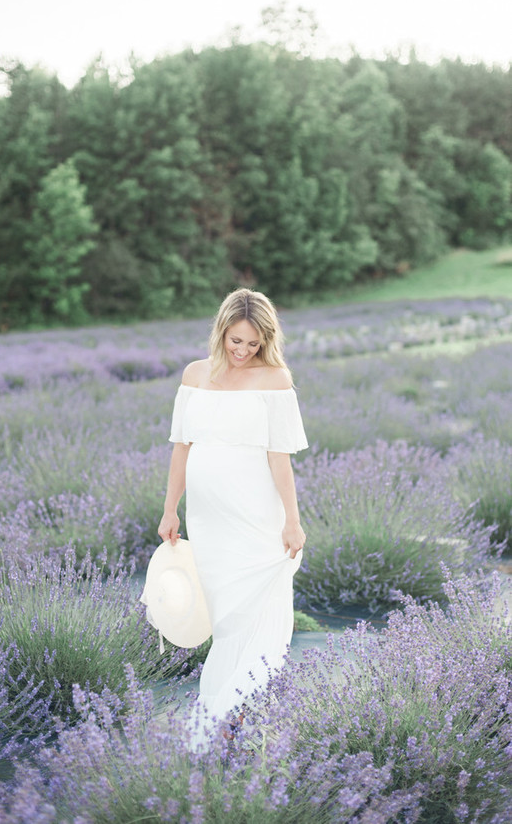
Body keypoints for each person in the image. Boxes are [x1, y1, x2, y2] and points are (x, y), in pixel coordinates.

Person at [157, 288, 308, 747]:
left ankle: (235, 709)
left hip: (256, 509)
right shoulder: (194, 375)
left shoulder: (276, 379)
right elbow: (181, 449)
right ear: (221, 332)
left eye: (253, 344)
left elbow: (279, 458)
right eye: (235, 341)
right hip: (208, 515)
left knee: (259, 602)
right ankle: (227, 709)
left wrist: (292, 520)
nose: (242, 351)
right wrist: (169, 509)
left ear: (266, 342)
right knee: (223, 613)